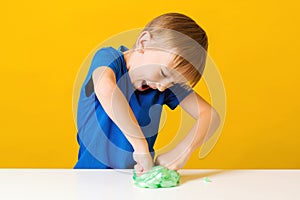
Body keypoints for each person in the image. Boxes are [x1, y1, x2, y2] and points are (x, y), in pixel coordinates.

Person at [74, 13, 220, 174]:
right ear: (143, 43)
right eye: (164, 73)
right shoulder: (108, 59)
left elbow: (210, 115)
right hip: (89, 177)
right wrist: (141, 147)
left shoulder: (162, 86)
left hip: (136, 180)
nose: (164, 87)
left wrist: (182, 151)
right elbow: (106, 89)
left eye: (174, 83)